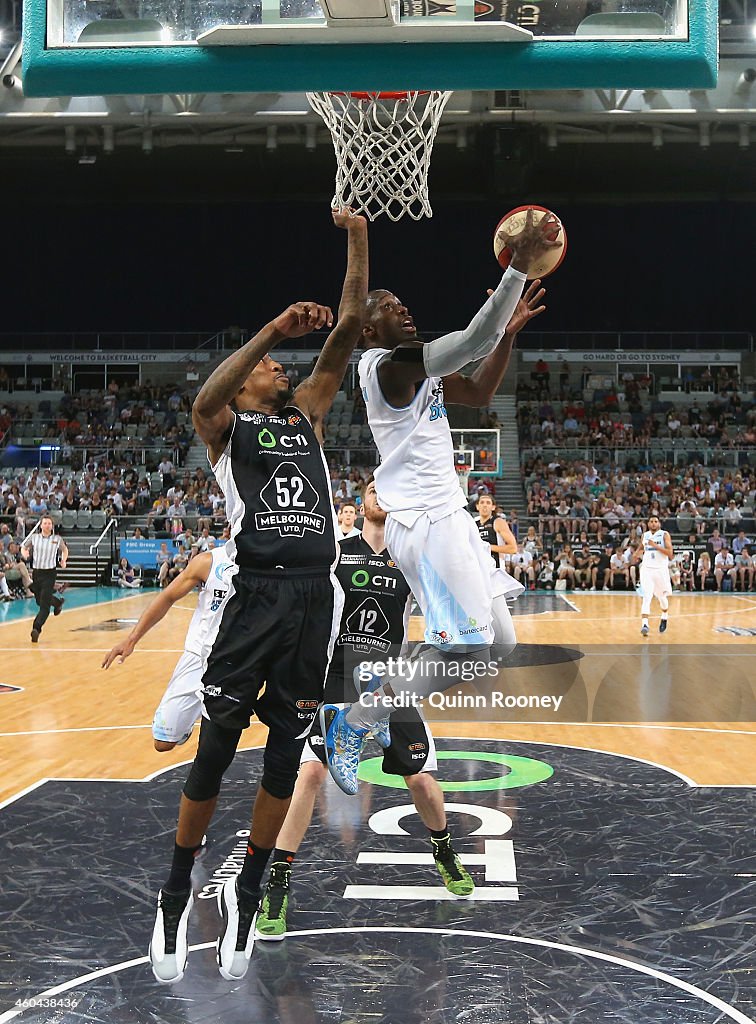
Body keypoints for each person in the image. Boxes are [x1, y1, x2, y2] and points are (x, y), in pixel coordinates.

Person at [148, 207, 368, 986]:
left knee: (284, 756)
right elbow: (201, 403)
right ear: (248, 382)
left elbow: (346, 329)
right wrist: (270, 330)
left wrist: (357, 233)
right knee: (214, 748)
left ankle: (247, 887)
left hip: (316, 598)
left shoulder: (304, 417)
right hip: (259, 597)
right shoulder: (227, 430)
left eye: (279, 364)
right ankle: (176, 892)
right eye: (270, 369)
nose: (282, 370)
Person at [320, 209, 557, 795]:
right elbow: (471, 340)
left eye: (403, 302)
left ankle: (366, 712)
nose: (403, 308)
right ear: (369, 331)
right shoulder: (386, 366)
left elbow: (477, 389)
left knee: (497, 645)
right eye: (389, 306)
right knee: (469, 643)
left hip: (447, 518)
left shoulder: (416, 372)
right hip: (425, 522)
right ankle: (355, 720)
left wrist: (507, 334)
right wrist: (517, 272)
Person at [254, 479, 474, 941]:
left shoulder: (413, 560)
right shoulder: (335, 552)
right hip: (334, 681)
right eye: (371, 487)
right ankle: (277, 882)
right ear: (361, 503)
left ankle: (444, 850)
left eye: (384, 488)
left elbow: (446, 610)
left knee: (422, 781)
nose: (377, 493)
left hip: (390, 684)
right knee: (310, 775)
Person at [102, 547, 237, 751]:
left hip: (239, 660)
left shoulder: (272, 561)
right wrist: (131, 639)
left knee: (215, 745)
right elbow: (167, 597)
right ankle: (186, 722)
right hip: (198, 655)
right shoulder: (208, 561)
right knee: (163, 742)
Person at [20, 515, 68, 643]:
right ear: (41, 525)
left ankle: (36, 628)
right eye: (45, 523)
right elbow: (23, 546)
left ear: (52, 526)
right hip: (37, 573)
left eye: (49, 523)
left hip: (49, 574)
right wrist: (25, 553)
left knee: (44, 606)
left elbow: (64, 549)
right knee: (39, 601)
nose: (47, 525)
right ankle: (57, 603)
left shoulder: (57, 539)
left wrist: (63, 560)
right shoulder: (34, 538)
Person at [632, 514, 673, 636]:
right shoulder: (645, 535)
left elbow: (670, 554)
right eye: (651, 521)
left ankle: (664, 616)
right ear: (648, 524)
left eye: (656, 521)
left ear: (659, 523)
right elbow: (640, 548)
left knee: (662, 598)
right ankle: (645, 624)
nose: (653, 523)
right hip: (647, 570)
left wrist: (655, 546)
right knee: (647, 596)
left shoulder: (664, 535)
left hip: (660, 570)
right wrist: (636, 554)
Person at [472, 492, 517, 568]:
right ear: (477, 506)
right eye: (482, 502)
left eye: (488, 503)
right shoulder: (473, 523)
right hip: (478, 567)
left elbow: (513, 548)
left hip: (495, 568)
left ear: (493, 507)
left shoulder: (498, 522)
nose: (485, 505)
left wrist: (488, 547)